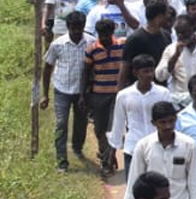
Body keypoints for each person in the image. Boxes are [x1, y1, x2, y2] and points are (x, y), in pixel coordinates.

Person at [41, 10, 89, 172]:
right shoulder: (58, 44)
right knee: (61, 124)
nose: (76, 31)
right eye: (73, 27)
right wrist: (45, 95)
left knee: (81, 122)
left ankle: (77, 147)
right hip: (62, 89)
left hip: (82, 91)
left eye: (79, 27)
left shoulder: (91, 42)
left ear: (84, 26)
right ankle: (62, 160)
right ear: (68, 27)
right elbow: (47, 68)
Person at [109, 54, 172, 174]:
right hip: (133, 148)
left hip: (158, 149)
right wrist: (112, 152)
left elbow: (171, 122)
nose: (149, 75)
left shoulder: (163, 94)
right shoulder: (124, 95)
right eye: (145, 71)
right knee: (133, 189)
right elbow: (118, 124)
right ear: (136, 73)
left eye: (151, 71)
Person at [83, 16, 124, 175]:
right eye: (102, 35)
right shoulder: (92, 49)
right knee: (100, 128)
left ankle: (107, 161)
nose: (105, 38)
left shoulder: (122, 45)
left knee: (112, 127)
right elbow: (85, 73)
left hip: (116, 94)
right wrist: (83, 95)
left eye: (107, 34)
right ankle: (105, 152)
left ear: (112, 32)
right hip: (98, 94)